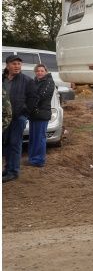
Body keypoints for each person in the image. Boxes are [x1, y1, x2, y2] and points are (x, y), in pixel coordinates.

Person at [2, 55, 37, 183]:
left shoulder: (27, 80)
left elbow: (33, 99)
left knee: (15, 144)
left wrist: (24, 113)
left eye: (19, 64)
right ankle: (7, 168)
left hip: (18, 117)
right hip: (4, 118)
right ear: (7, 65)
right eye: (14, 64)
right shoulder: (2, 79)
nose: (17, 66)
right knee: (5, 144)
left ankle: (13, 172)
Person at [27, 63, 55, 168]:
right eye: (38, 71)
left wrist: (28, 104)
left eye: (42, 71)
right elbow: (29, 94)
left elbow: (41, 96)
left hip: (42, 114)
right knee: (33, 138)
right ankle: (32, 158)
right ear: (35, 72)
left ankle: (39, 160)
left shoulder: (49, 82)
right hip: (33, 114)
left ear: (46, 72)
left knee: (39, 138)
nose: (39, 72)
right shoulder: (34, 82)